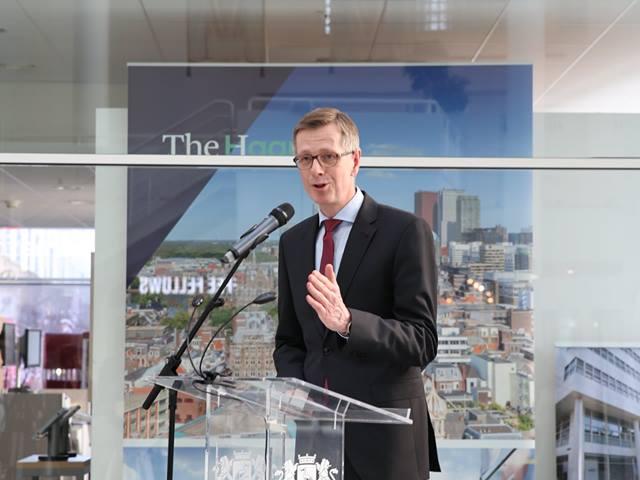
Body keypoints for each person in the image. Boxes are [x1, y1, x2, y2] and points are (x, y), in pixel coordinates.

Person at [273, 107, 440, 480]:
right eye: (305, 158)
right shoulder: (293, 242)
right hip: (316, 442)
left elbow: (423, 341)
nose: (316, 169)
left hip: (386, 442)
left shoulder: (405, 231)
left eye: (328, 156)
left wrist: (348, 322)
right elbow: (289, 341)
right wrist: (295, 388)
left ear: (355, 160)